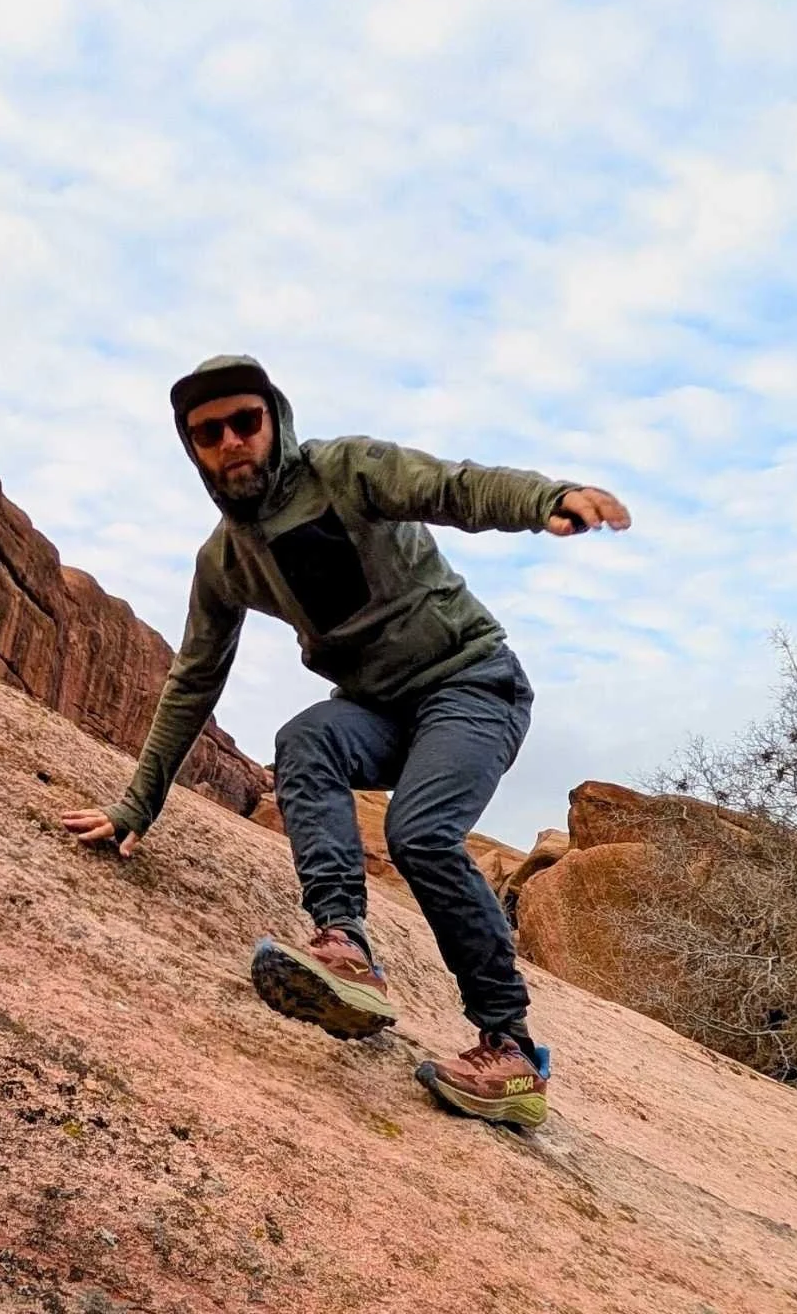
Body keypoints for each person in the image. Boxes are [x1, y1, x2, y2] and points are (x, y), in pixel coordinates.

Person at [59, 355, 630, 1130]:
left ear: (274, 420)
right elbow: (194, 680)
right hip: (378, 709)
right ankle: (345, 947)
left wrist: (547, 500)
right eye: (208, 433)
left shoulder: (349, 470)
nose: (231, 442)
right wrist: (136, 807)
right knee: (306, 740)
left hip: (472, 684)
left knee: (421, 834)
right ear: (191, 448)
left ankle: (513, 1051)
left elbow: (451, 488)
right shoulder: (223, 563)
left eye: (244, 422)